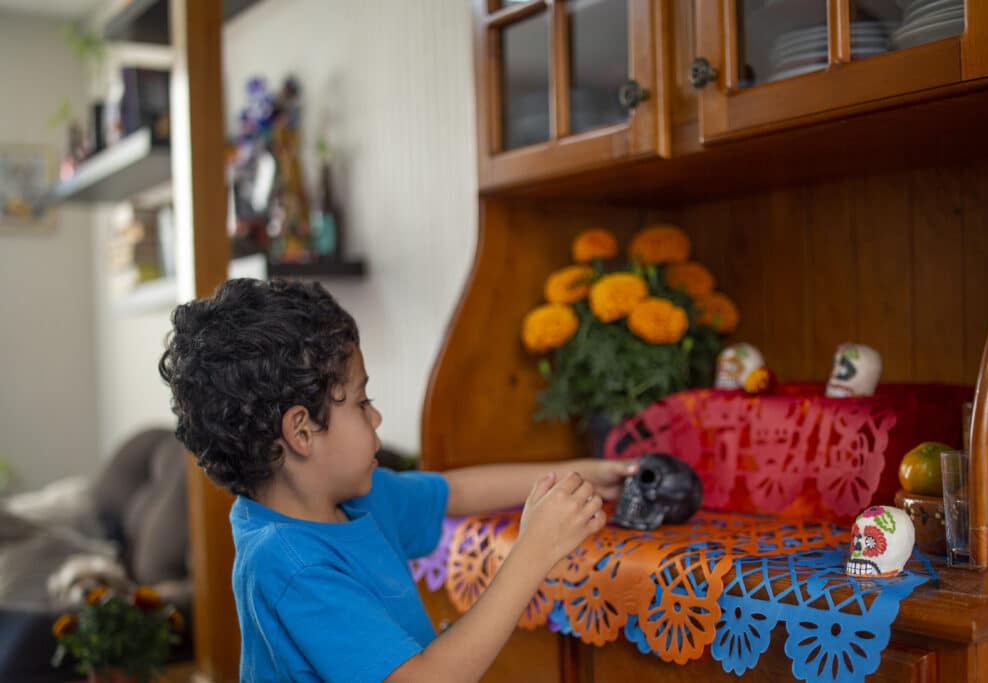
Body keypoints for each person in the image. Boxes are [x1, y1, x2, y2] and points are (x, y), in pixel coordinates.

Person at [159, 278, 637, 683]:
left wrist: (588, 473)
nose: (377, 416)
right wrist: (533, 552)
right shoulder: (289, 566)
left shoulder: (354, 499)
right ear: (301, 431)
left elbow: (458, 491)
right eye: (362, 402)